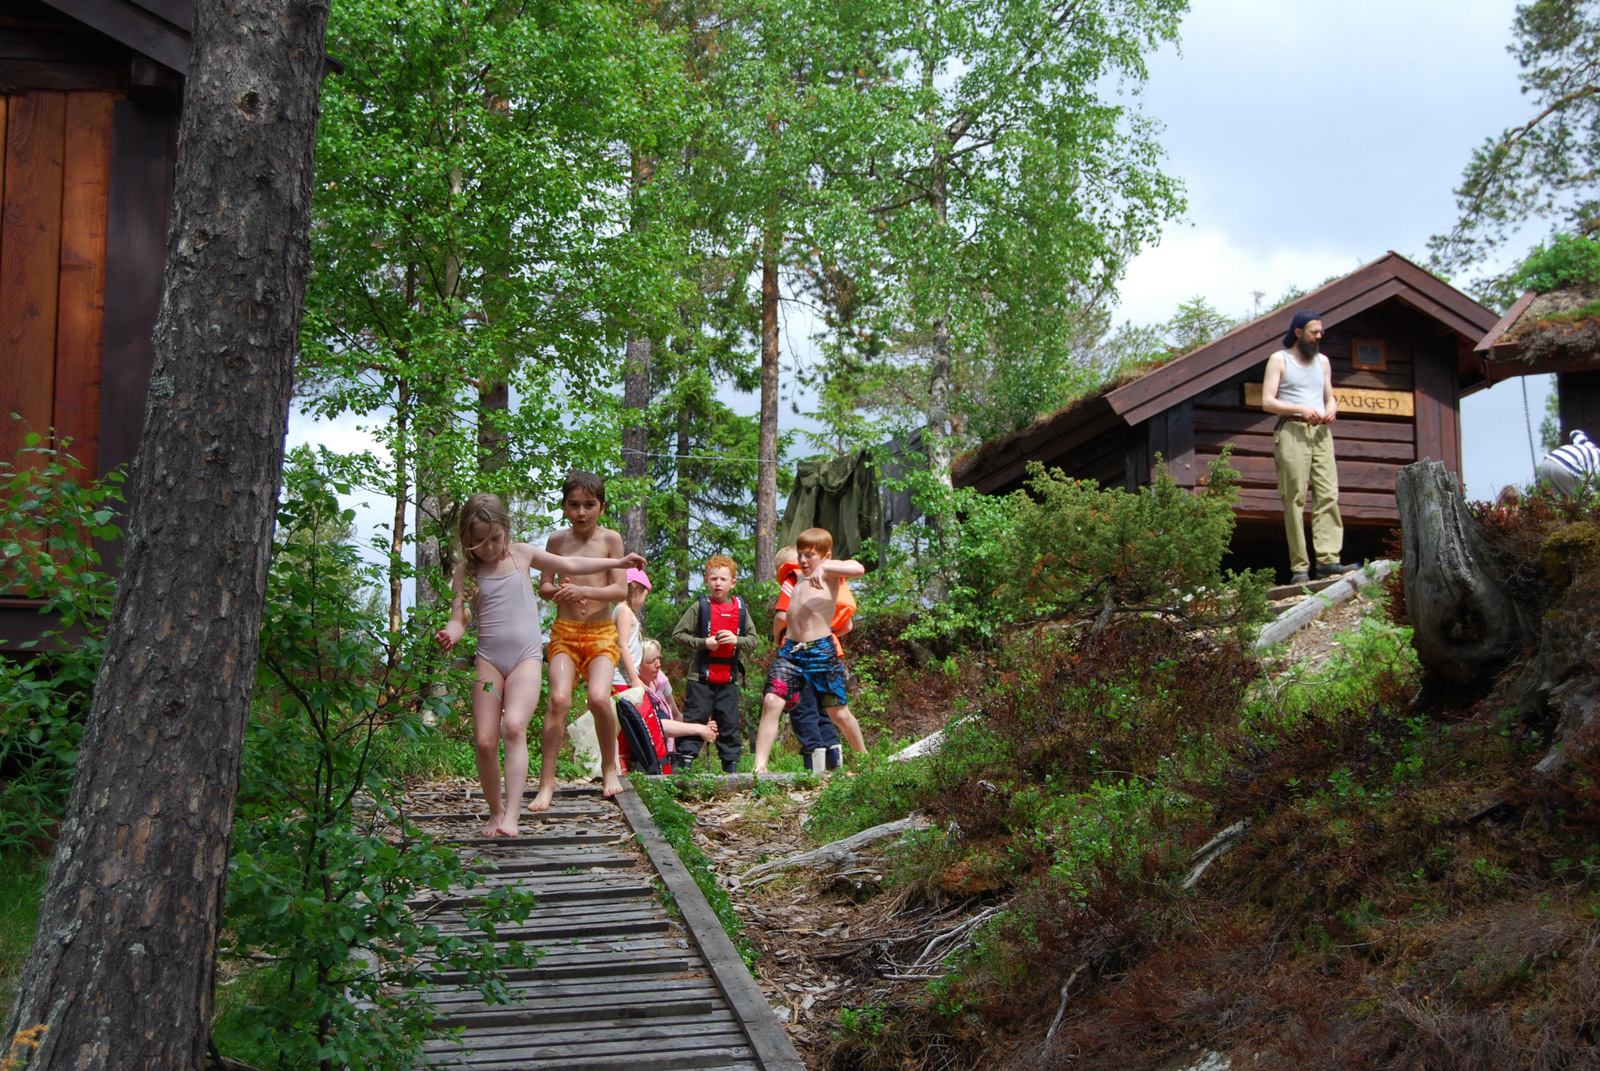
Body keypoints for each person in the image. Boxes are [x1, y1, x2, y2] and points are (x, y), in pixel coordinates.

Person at [434, 492, 644, 836]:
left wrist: (618, 563)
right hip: (488, 661)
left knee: (514, 727)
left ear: (506, 529)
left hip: (525, 660)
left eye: (495, 539)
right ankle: (495, 812)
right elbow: (459, 619)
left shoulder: (522, 554)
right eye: (479, 542)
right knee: (485, 740)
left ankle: (512, 814)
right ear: (467, 539)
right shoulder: (466, 571)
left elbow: (571, 565)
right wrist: (450, 634)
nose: (489, 548)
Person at [537, 471, 631, 806]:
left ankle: (609, 767)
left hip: (601, 632)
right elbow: (544, 586)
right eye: (574, 505)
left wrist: (583, 590)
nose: (581, 512)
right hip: (565, 632)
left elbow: (620, 590)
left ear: (602, 507)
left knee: (599, 699)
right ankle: (546, 783)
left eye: (589, 505)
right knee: (559, 700)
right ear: (564, 506)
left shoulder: (611, 540)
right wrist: (559, 593)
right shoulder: (557, 541)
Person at [752, 528, 867, 774]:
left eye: (809, 555)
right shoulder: (797, 579)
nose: (803, 560)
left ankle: (865, 759)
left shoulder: (830, 574)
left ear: (826, 556)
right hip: (791, 652)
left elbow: (858, 568)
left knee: (838, 713)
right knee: (771, 701)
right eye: (800, 555)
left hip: (820, 652)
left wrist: (825, 568)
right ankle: (759, 766)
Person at [1260, 309, 1358, 584]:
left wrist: (1331, 408)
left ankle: (1328, 561)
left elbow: (1329, 396)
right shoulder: (1279, 359)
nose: (1319, 336)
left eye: (1321, 332)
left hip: (1321, 433)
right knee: (1295, 498)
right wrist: (1300, 409)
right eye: (1314, 332)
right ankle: (1300, 568)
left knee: (1328, 494)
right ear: (1298, 332)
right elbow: (1267, 401)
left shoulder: (1323, 362)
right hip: (1292, 430)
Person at [670, 554, 762, 773]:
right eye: (713, 579)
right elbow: (678, 635)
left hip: (729, 680)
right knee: (694, 720)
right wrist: (704, 643)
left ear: (733, 583)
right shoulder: (699, 607)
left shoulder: (741, 610)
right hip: (700, 679)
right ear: (706, 580)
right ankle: (684, 770)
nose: (718, 583)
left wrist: (736, 639)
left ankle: (731, 772)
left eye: (723, 579)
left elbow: (754, 641)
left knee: (729, 725)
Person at [773, 545, 850, 774]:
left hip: (801, 654)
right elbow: (847, 625)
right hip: (829, 653)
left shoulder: (793, 579)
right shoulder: (827, 581)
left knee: (803, 709)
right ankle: (834, 763)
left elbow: (781, 616)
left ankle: (814, 768)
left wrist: (777, 637)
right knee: (825, 709)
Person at [617, 639, 718, 774]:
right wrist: (698, 729)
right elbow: (656, 725)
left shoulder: (660, 681)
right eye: (651, 661)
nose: (658, 665)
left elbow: (676, 716)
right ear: (637, 665)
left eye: (658, 658)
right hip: (644, 758)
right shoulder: (632, 692)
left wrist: (704, 725)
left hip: (668, 752)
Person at [611, 567, 650, 695]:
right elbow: (622, 645)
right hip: (621, 680)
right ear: (637, 590)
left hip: (625, 680)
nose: (644, 601)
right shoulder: (624, 611)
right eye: (645, 596)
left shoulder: (624, 611)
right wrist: (634, 678)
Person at [1537, 429, 1600, 497]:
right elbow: (1595, 480)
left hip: (1546, 464)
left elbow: (1574, 433)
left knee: (1558, 502)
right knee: (1591, 500)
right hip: (1566, 466)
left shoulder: (1588, 446)